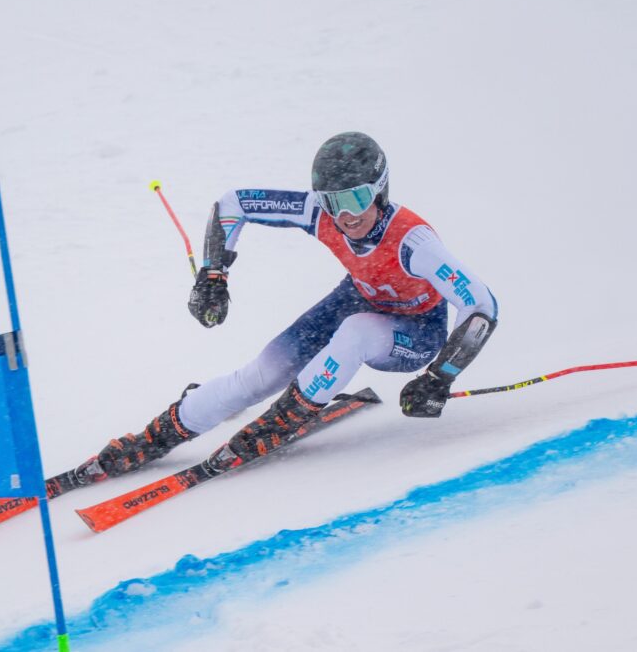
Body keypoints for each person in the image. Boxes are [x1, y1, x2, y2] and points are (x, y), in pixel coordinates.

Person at [94, 132, 498, 478]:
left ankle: (285, 417)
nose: (344, 215)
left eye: (356, 198)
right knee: (263, 374)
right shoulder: (317, 213)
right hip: (357, 297)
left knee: (356, 331)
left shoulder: (414, 242)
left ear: (380, 189)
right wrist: (213, 274)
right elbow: (233, 203)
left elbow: (481, 306)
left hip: (416, 333)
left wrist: (439, 376)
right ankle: (163, 432)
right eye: (331, 200)